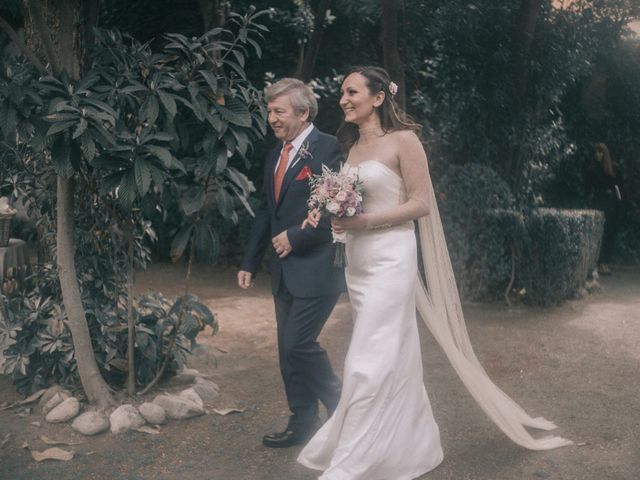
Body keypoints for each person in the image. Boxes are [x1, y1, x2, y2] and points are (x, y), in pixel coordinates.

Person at [298, 66, 572, 479]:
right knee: (392, 354)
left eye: (351, 91)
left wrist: (363, 223)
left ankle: (352, 461)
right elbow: (354, 202)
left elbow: (421, 203)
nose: (343, 99)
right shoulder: (351, 147)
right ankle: (409, 444)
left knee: (367, 359)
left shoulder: (404, 141)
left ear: (377, 98)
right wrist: (335, 213)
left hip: (391, 258)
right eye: (341, 93)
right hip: (359, 262)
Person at [238, 78, 346, 449]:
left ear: (303, 113)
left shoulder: (330, 148)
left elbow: (337, 208)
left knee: (299, 344)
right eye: (269, 111)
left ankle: (342, 408)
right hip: (282, 270)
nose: (271, 118)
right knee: (287, 352)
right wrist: (250, 261)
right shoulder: (274, 155)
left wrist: (296, 237)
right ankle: (302, 422)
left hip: (318, 266)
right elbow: (267, 211)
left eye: (278, 111)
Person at [585, 142, 623, 275]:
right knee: (601, 233)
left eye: (600, 152)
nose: (597, 155)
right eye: (595, 152)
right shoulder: (592, 170)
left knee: (610, 233)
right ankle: (600, 263)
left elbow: (619, 188)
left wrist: (618, 202)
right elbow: (588, 190)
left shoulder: (614, 169)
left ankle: (605, 262)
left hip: (612, 205)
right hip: (598, 204)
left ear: (605, 153)